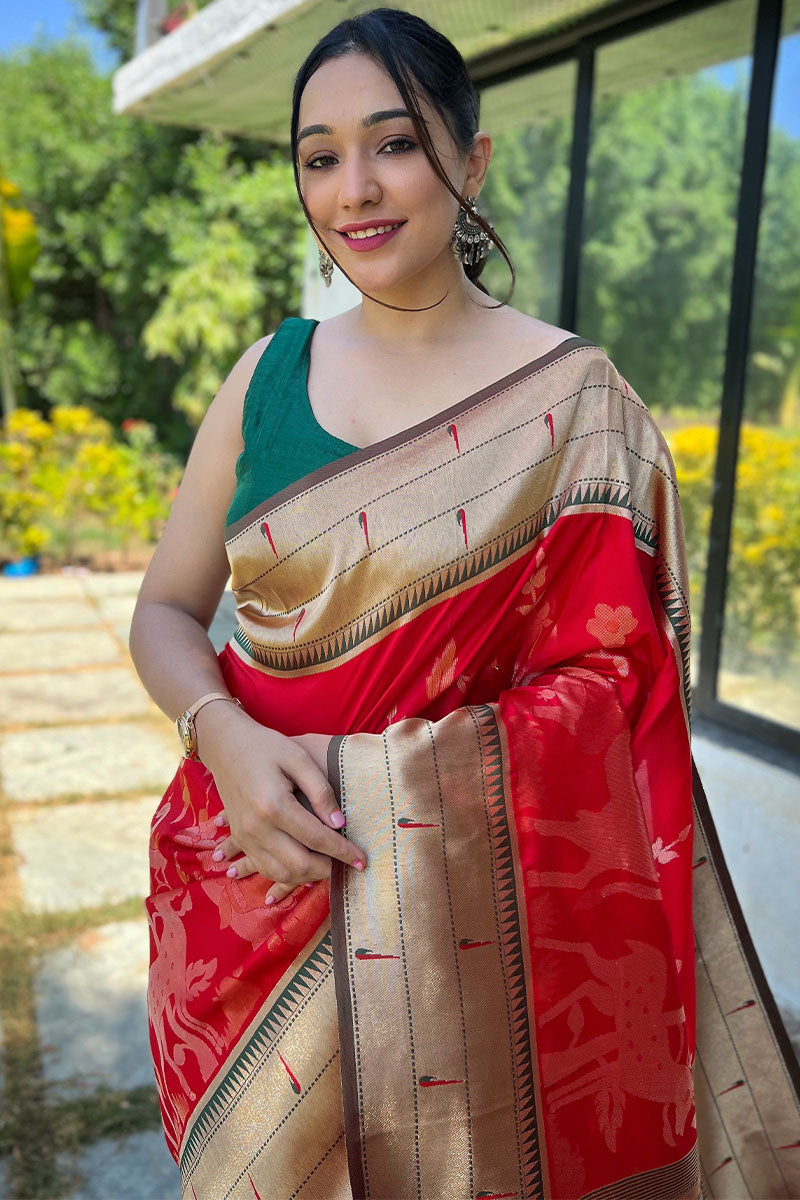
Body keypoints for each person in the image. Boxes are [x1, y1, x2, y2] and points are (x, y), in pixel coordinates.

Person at [129, 10, 800, 1199]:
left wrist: (402, 797)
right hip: (255, 897)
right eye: (318, 156)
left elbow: (620, 693)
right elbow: (169, 614)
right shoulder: (265, 375)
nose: (353, 191)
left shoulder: (573, 402)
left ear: (471, 160)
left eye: (392, 143)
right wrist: (220, 733)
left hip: (476, 947)